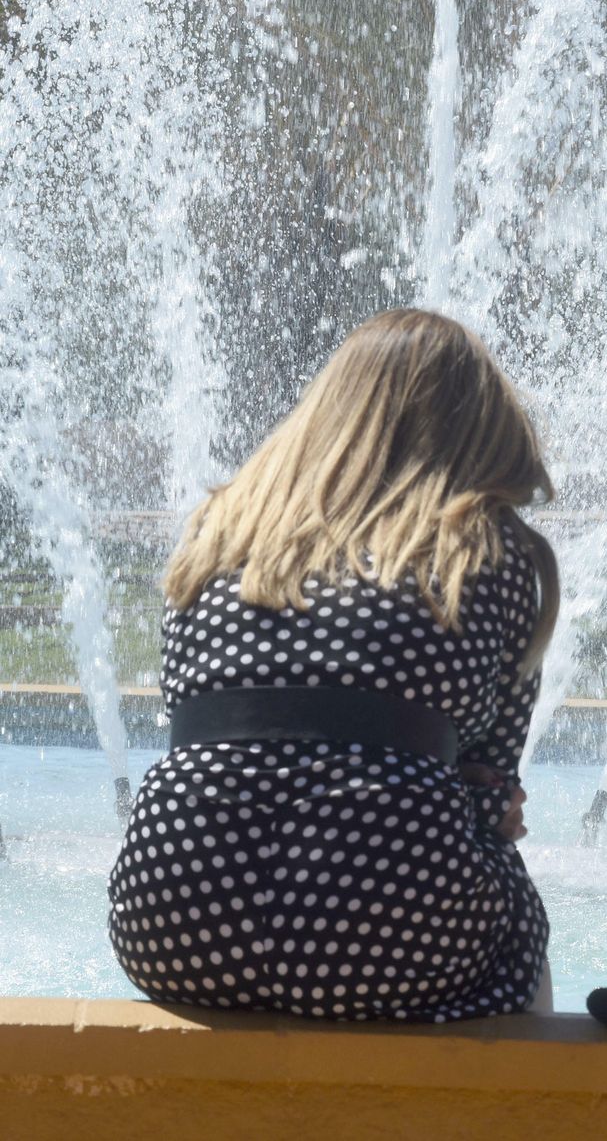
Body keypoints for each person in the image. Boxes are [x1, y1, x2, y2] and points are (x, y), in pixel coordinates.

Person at [108, 309, 559, 1021]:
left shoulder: (219, 531)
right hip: (385, 937)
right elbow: (488, 788)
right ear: (477, 433)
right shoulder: (484, 547)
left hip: (174, 918)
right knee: (512, 904)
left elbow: (206, 726)